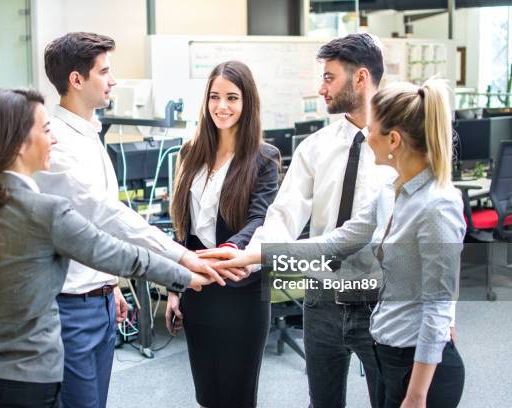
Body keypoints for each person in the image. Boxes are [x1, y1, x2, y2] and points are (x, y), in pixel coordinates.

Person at [200, 79, 466, 408]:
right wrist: (250, 257)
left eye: (373, 128)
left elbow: (437, 308)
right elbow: (331, 244)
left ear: (394, 140)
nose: (366, 134)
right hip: (390, 353)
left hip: (421, 372)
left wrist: (416, 395)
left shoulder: (438, 205)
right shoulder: (390, 194)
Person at [0, 89, 213, 408]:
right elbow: (124, 257)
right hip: (31, 383)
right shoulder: (47, 212)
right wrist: (188, 275)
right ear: (18, 145)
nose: (54, 140)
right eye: (45, 130)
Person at [33, 33, 242, 408]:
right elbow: (106, 215)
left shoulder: (90, 133)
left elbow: (92, 231)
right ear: (76, 80)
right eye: (105, 71)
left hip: (96, 299)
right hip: (68, 306)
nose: (113, 81)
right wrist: (181, 258)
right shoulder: (56, 141)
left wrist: (109, 283)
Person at [196, 34, 392, 408]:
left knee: (388, 398)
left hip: (379, 298)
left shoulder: (399, 144)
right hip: (323, 301)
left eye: (329, 77)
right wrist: (248, 254)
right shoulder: (315, 147)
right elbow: (281, 218)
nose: (321, 88)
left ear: (361, 78)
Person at [165, 60, 280, 408]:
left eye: (232, 97)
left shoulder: (263, 157)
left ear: (247, 103)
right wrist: (175, 287)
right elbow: (182, 226)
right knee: (208, 392)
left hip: (240, 288)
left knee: (237, 395)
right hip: (199, 289)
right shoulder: (191, 152)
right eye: (215, 97)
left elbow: (260, 217)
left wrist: (230, 251)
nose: (222, 106)